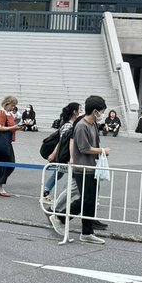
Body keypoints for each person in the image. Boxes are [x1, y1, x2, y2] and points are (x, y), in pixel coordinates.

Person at [48, 95, 108, 245]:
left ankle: (87, 232)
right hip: (82, 169)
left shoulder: (92, 124)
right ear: (95, 111)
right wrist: (102, 150)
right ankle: (60, 217)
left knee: (90, 201)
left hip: (91, 167)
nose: (102, 114)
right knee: (86, 200)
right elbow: (84, 148)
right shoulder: (82, 126)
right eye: (101, 111)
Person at [0, 95, 20, 196]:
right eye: (13, 105)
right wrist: (13, 127)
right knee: (8, 164)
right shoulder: (1, 113)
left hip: (6, 141)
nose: (13, 107)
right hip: (2, 142)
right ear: (7, 103)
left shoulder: (8, 113)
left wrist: (15, 127)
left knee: (3, 164)